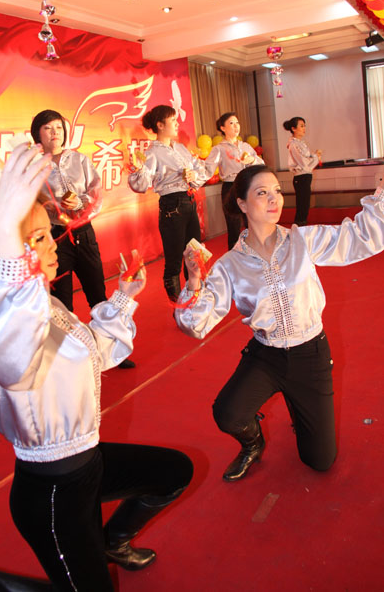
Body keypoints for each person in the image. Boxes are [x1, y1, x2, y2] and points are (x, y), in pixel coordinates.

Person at [0, 143, 193, 592]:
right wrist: (5, 238)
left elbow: (91, 351)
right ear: (2, 254)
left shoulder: (45, 304)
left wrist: (123, 297)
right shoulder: (2, 315)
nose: (52, 243)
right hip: (52, 493)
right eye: (35, 238)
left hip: (88, 463)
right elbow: (8, 347)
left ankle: (112, 541)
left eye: (48, 232)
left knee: (174, 471)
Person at [175, 164, 384, 483]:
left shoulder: (303, 240)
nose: (274, 199)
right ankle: (253, 443)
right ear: (242, 204)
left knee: (320, 461)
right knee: (228, 413)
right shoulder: (229, 265)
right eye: (262, 193)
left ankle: (299, 403)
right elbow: (195, 322)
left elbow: (359, 236)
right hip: (266, 355)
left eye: (276, 191)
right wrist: (193, 281)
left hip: (310, 353)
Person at [30, 109, 135, 368]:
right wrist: (54, 208)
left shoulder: (79, 160)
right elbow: (31, 204)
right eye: (48, 128)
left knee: (97, 292)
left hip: (84, 233)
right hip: (55, 238)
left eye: (58, 127)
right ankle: (70, 360)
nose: (54, 132)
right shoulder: (33, 168)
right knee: (62, 302)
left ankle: (111, 349)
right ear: (38, 134)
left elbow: (96, 193)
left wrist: (80, 202)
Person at [128, 105, 207, 302]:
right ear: (160, 125)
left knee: (194, 254)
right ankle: (178, 305)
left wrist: (193, 175)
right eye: (173, 120)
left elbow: (200, 171)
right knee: (174, 261)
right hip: (172, 206)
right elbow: (141, 184)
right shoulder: (152, 152)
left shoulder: (180, 148)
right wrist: (139, 169)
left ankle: (194, 297)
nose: (177, 124)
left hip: (189, 201)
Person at [205, 112, 264, 250]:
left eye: (237, 123)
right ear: (222, 128)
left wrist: (252, 160)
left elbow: (262, 165)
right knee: (233, 225)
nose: (236, 126)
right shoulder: (219, 149)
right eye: (231, 123)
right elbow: (207, 169)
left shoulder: (246, 146)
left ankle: (255, 253)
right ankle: (235, 257)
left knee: (252, 223)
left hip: (247, 185)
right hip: (230, 187)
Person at [284, 116, 321, 226]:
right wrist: (316, 158)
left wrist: (314, 157)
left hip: (305, 176)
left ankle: (301, 228)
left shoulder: (300, 143)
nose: (304, 128)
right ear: (293, 128)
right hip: (301, 176)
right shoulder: (293, 144)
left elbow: (307, 160)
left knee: (305, 205)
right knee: (302, 206)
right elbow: (303, 163)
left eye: (304, 126)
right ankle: (299, 228)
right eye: (301, 126)